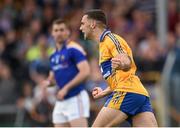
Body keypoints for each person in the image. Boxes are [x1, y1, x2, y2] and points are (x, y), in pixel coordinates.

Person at [80, 9, 158, 127]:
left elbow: (126, 60)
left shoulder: (110, 39)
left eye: (82, 23)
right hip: (138, 94)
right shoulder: (102, 44)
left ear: (92, 24)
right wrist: (104, 92)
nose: (81, 28)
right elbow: (121, 77)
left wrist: (123, 64)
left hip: (127, 92)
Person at [41, 18, 90, 127]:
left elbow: (85, 72)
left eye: (62, 30)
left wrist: (66, 88)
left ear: (68, 32)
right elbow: (52, 79)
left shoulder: (74, 49)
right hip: (62, 100)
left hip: (76, 97)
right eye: (56, 30)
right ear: (52, 33)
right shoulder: (53, 54)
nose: (59, 33)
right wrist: (47, 83)